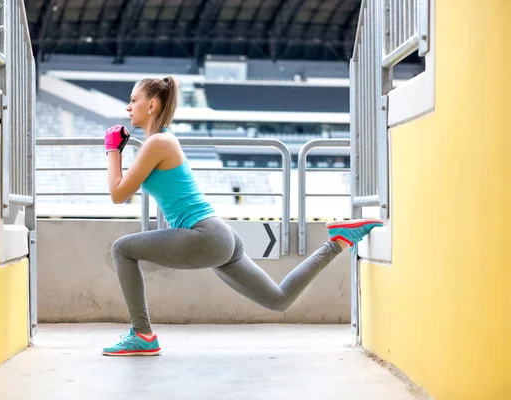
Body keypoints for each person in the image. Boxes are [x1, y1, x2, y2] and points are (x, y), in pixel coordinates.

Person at [102, 76, 383, 356]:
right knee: (278, 300)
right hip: (218, 236)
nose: (128, 107)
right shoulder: (158, 142)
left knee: (122, 249)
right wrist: (118, 152)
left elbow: (118, 194)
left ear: (151, 105)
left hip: (204, 236)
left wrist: (112, 151)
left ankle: (142, 334)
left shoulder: (157, 143)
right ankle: (338, 241)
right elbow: (125, 188)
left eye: (133, 100)